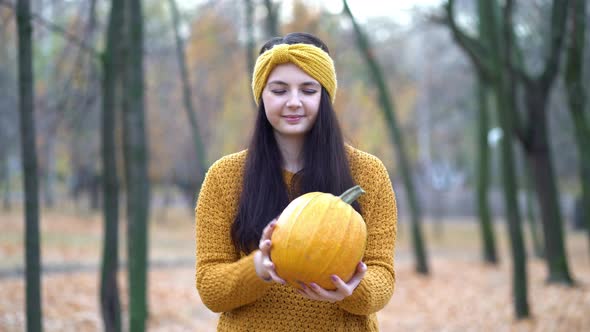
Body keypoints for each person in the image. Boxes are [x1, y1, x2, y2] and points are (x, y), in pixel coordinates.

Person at [195, 32, 397, 331]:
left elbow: (383, 274)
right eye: (278, 90)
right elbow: (210, 287)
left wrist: (352, 290)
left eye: (308, 90)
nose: (293, 102)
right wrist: (258, 269)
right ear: (261, 96)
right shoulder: (224, 177)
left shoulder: (368, 172)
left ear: (324, 95)